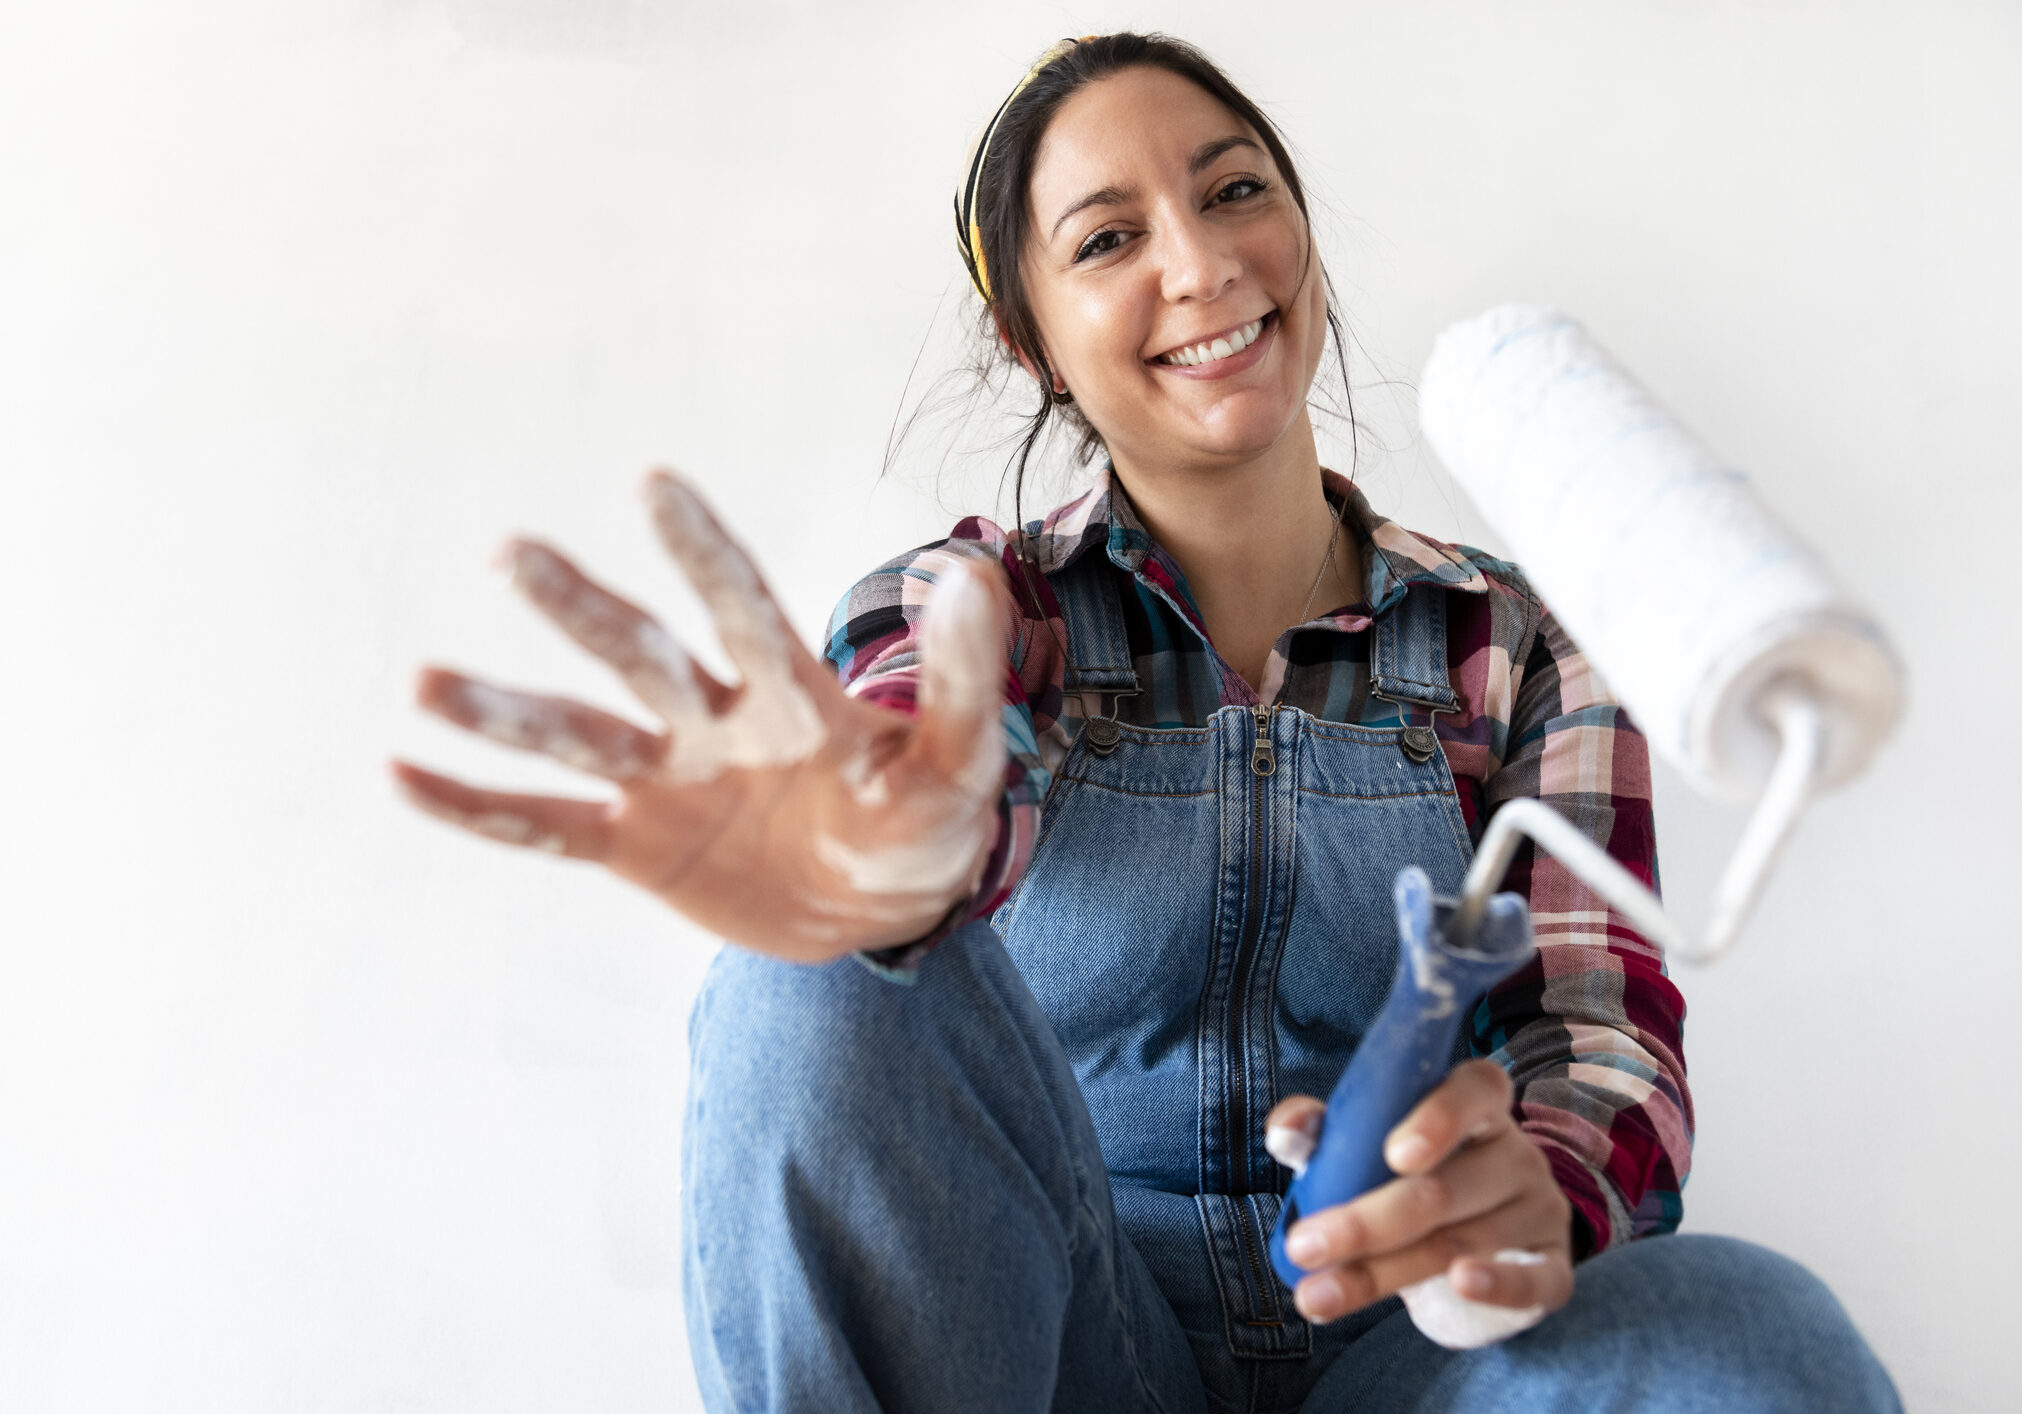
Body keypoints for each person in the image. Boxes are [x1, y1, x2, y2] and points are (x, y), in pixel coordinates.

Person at [391, 31, 1902, 1414]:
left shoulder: (1516, 645)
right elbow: (934, 767)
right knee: (820, 977)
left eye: (1234, 190)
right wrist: (883, 866)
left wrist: (1541, 1189)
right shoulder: (983, 612)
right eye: (1108, 238)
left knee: (1749, 1330)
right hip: (1055, 1347)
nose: (1198, 263)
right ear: (1031, 338)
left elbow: (1596, 1034)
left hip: (1414, 1366)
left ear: (1300, 234)